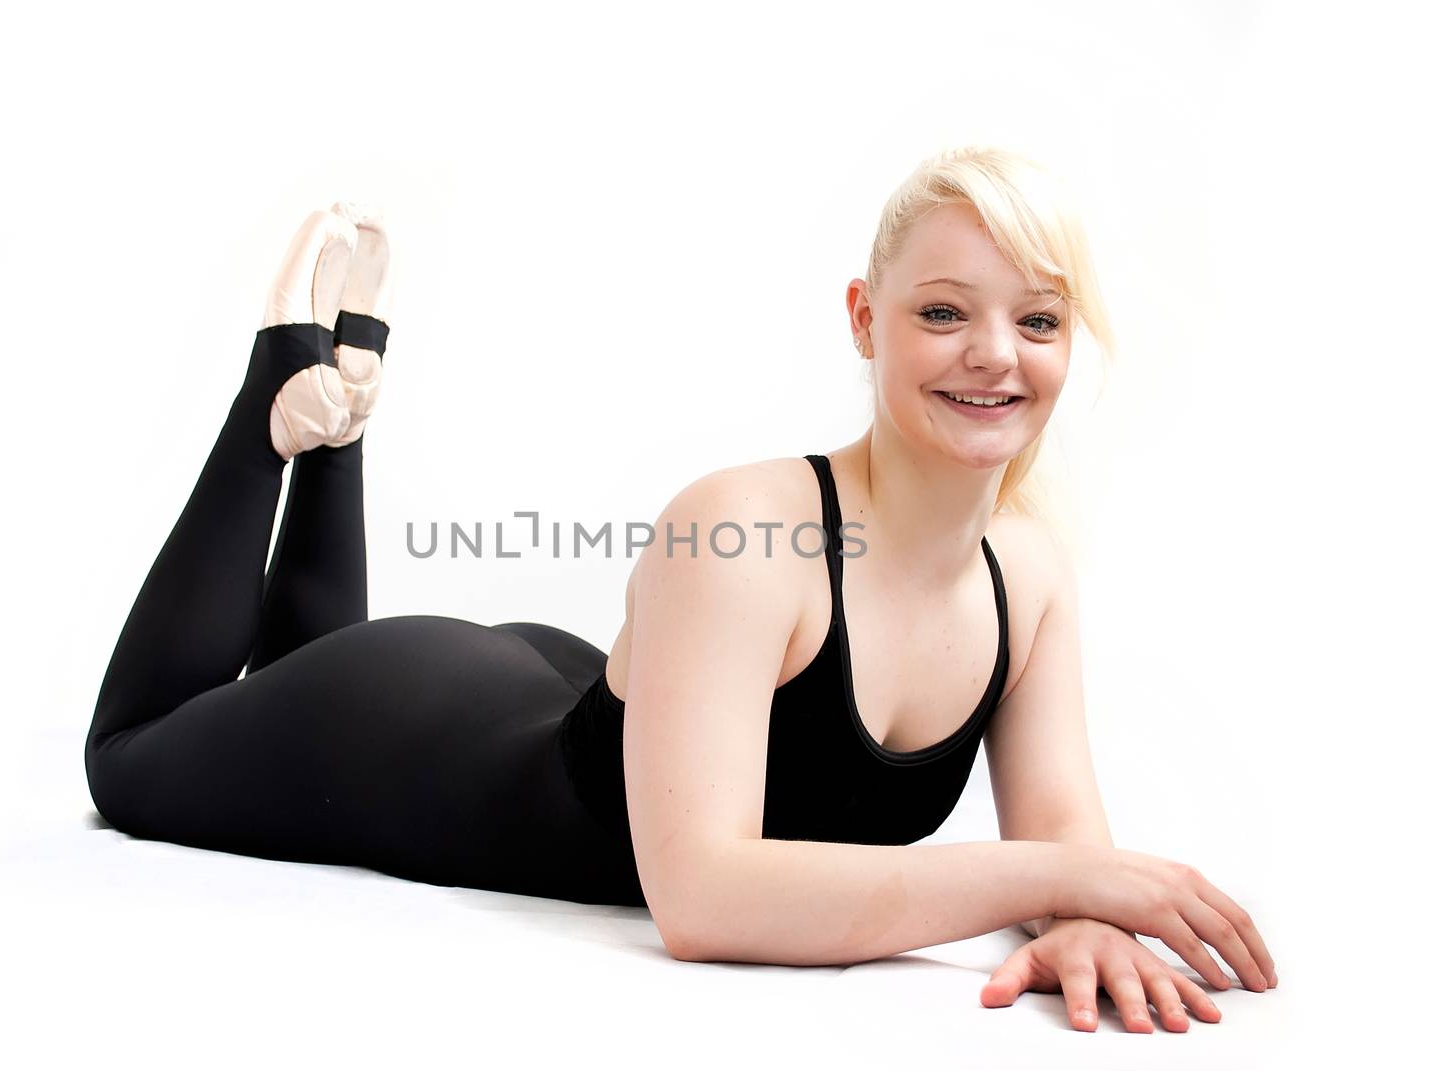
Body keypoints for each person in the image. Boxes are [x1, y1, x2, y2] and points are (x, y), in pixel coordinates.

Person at [84, 147, 1277, 1034]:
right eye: (943, 313)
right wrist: (1062, 885)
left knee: (277, 683)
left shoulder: (1030, 574)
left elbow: (1066, 837)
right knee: (132, 759)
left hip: (566, 707)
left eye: (1038, 320)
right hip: (421, 733)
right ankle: (286, 386)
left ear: (1071, 347)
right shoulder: (746, 524)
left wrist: (1076, 918)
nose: (993, 354)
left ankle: (339, 421)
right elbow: (703, 896)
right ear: (865, 322)